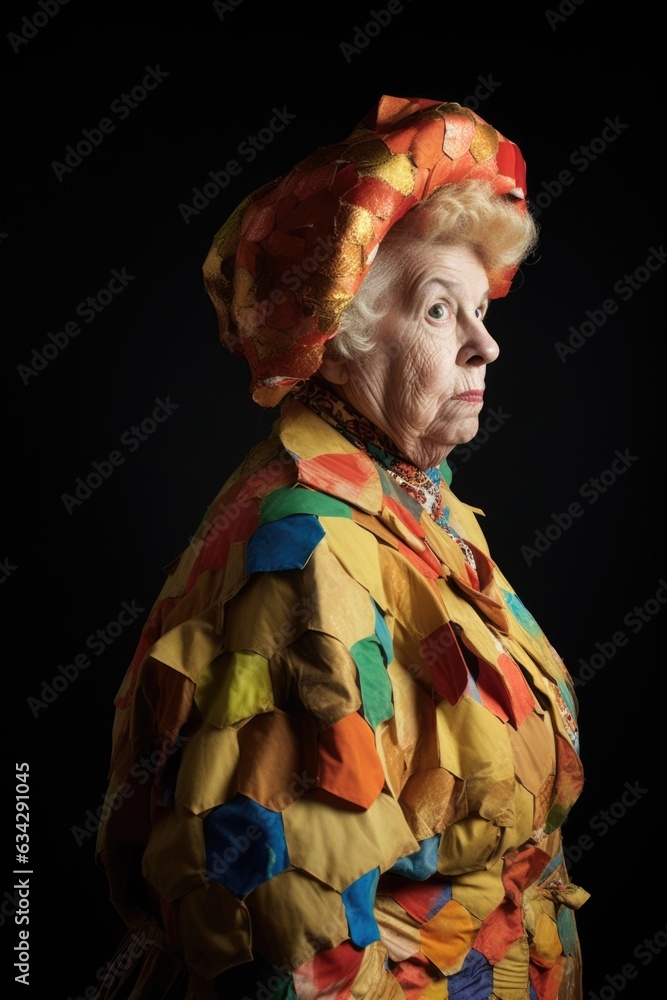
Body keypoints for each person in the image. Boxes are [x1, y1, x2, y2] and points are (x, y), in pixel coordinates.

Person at [91, 94, 589, 1000]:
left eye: (481, 309)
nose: (487, 346)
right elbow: (290, 940)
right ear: (342, 336)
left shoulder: (416, 500)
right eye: (441, 312)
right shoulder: (307, 548)